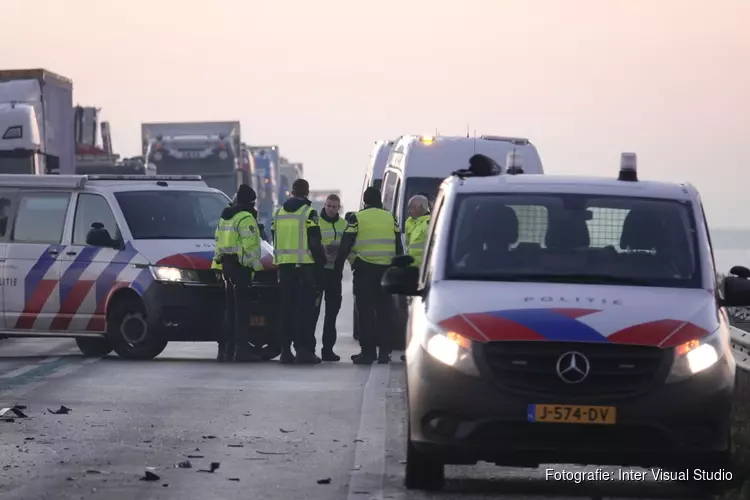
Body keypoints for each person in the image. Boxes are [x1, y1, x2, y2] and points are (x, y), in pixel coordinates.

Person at [335, 187, 404, 364]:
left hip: (365, 270)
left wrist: (338, 268)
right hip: (386, 272)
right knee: (385, 313)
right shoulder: (391, 218)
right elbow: (398, 246)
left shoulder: (357, 218)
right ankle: (384, 353)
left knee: (365, 313)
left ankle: (368, 353)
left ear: (365, 201)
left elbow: (345, 245)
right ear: (379, 200)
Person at [271, 178, 327, 365]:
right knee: (304, 312)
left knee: (285, 310)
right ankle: (304, 351)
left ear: (292, 192)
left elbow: (274, 238)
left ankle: (285, 351)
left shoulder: (278, 213)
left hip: (284, 268)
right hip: (304, 269)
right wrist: (321, 264)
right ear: (307, 193)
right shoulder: (309, 213)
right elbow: (314, 243)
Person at [211, 184, 264, 362]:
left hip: (227, 268)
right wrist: (255, 267)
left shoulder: (225, 218)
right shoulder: (245, 218)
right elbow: (250, 247)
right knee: (242, 312)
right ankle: (242, 350)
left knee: (229, 311)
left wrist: (218, 265)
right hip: (241, 269)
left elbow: (218, 244)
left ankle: (226, 349)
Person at [313, 194, 347, 361]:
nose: (331, 209)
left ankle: (328, 350)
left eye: (334, 206)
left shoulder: (344, 224)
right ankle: (310, 349)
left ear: (338, 208)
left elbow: (349, 246)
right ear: (324, 205)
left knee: (332, 313)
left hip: (335, 273)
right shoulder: (316, 222)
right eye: (329, 206)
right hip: (319, 273)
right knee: (313, 312)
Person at [405, 195, 431, 268]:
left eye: (411, 208)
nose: (409, 211)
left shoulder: (429, 224)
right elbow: (408, 244)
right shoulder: (409, 221)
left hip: (423, 268)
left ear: (420, 207)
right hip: (411, 266)